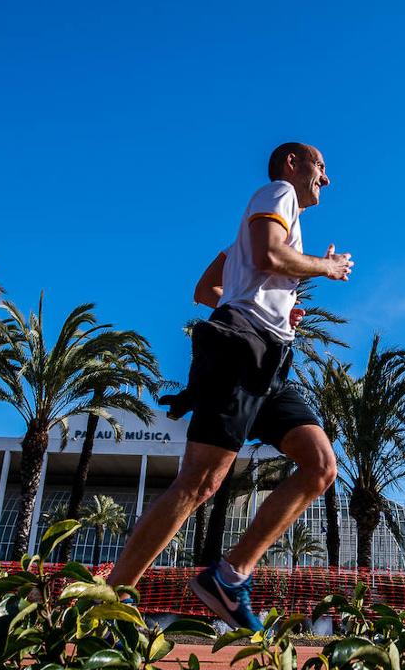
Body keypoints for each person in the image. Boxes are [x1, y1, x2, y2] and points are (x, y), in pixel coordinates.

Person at [106, 142, 353, 630]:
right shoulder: (278, 191)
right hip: (242, 349)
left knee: (321, 466)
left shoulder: (269, 219)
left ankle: (229, 575)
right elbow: (269, 254)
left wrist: (281, 307)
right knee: (200, 482)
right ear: (292, 164)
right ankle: (110, 597)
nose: (326, 179)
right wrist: (325, 267)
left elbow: (207, 289)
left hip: (271, 358)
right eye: (320, 167)